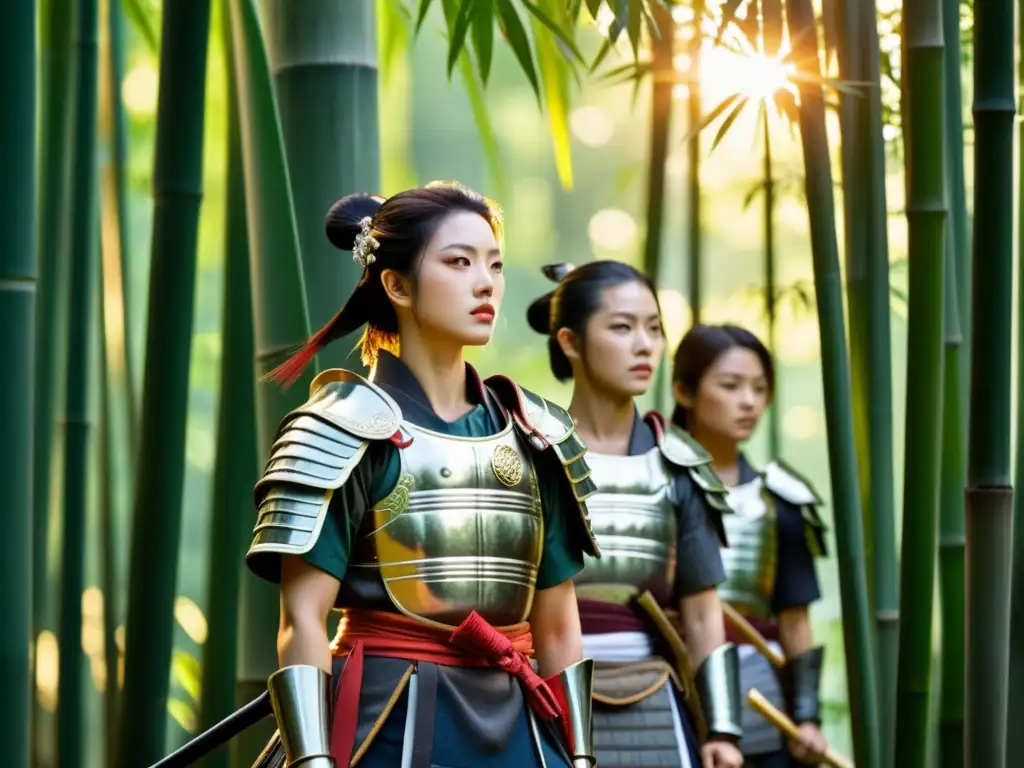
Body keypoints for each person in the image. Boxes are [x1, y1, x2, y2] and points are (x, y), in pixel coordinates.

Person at [246, 182, 600, 768]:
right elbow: (302, 618)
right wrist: (312, 760)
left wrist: (581, 758)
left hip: (520, 727)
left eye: (494, 265)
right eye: (459, 262)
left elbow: (559, 628)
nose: (486, 283)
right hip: (387, 719)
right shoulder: (341, 429)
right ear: (398, 285)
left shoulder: (537, 434)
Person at [527, 261, 744, 768]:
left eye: (654, 328)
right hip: (542, 698)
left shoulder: (679, 465)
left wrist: (722, 729)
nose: (645, 345)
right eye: (623, 328)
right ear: (570, 341)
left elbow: (702, 613)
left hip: (655, 704)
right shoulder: (531, 456)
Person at [670, 324, 830, 767]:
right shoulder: (653, 486)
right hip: (669, 685)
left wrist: (808, 716)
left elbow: (795, 620)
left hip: (760, 694)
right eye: (731, 385)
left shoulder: (781, 499)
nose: (749, 401)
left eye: (759, 388)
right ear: (684, 391)